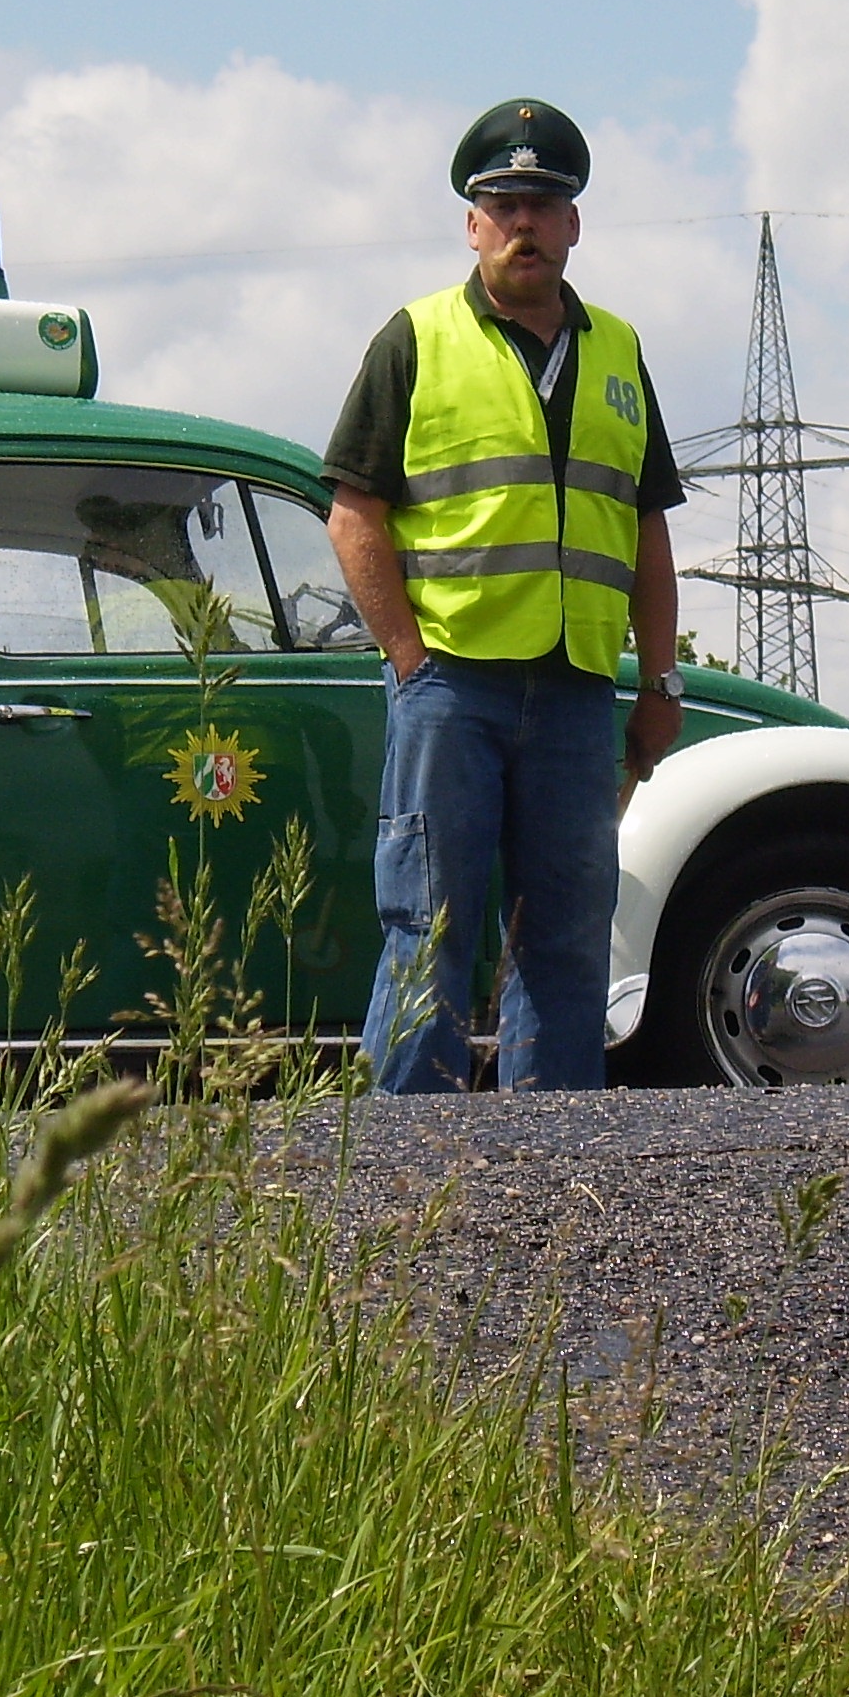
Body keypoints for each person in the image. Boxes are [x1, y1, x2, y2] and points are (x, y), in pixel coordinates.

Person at [323, 98, 686, 1092]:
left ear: (574, 225)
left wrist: (659, 682)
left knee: (568, 933)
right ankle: (408, 1165)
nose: (524, 224)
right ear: (473, 224)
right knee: (428, 924)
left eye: (544, 205)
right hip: (454, 690)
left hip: (575, 692)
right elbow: (353, 514)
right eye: (504, 205)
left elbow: (647, 533)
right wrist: (409, 657)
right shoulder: (416, 339)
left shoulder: (617, 351)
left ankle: (551, 1164)